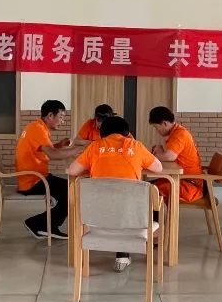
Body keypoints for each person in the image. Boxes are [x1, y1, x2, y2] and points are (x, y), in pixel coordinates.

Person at [67, 116, 162, 272]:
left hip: (96, 218)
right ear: (127, 133)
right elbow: (158, 168)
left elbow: (72, 171)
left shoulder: (94, 147)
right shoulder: (135, 146)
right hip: (133, 219)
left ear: (102, 133)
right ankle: (125, 252)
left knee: (112, 202)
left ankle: (92, 254)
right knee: (155, 202)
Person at [18, 100, 82, 240]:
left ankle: (43, 224)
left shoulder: (37, 127)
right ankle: (39, 224)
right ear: (50, 115)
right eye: (61, 117)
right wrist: (77, 150)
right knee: (72, 191)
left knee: (70, 188)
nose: (62, 121)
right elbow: (52, 155)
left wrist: (59, 145)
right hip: (32, 180)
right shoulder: (39, 129)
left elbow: (44, 149)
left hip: (33, 176)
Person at [148, 106, 204, 205]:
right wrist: (160, 150)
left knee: (150, 190)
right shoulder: (176, 132)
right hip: (181, 179)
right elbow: (168, 154)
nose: (157, 131)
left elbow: (170, 156)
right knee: (149, 187)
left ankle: (155, 216)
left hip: (189, 185)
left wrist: (150, 157)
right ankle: (158, 215)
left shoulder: (180, 134)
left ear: (165, 123)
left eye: (156, 127)